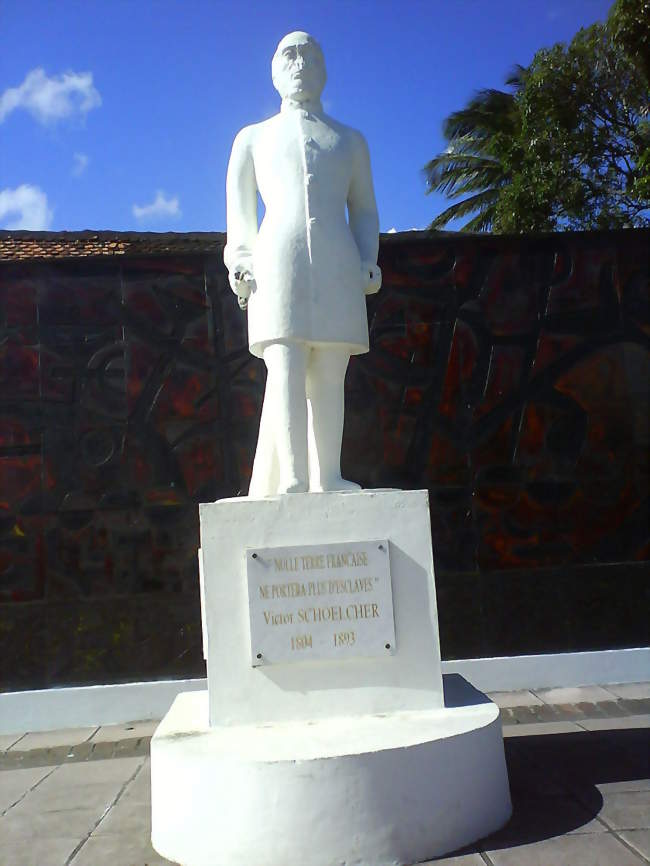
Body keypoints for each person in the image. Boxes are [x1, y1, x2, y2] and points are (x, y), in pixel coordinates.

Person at [224, 31, 381, 496]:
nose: (300, 63)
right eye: (289, 56)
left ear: (324, 70)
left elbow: (366, 209)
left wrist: (368, 258)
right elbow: (240, 216)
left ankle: (326, 475)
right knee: (286, 365)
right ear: (274, 72)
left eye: (310, 55)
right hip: (278, 261)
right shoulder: (253, 138)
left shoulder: (350, 141)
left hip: (338, 260)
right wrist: (241, 259)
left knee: (332, 369)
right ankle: (292, 476)